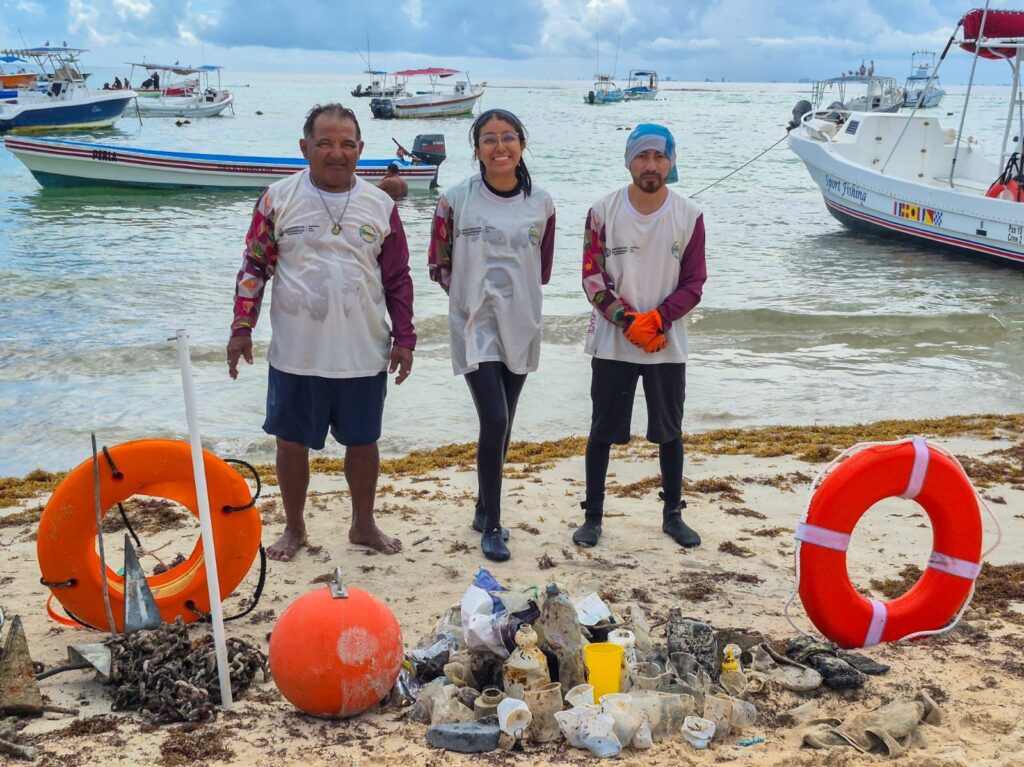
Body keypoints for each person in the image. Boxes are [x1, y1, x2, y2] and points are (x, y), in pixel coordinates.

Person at [227, 103, 415, 562]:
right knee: (291, 443)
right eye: (325, 143)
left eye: (347, 144)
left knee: (363, 442)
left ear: (360, 149)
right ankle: (294, 528)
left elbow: (397, 277)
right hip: (297, 353)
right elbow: (254, 266)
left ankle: (363, 524)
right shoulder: (277, 198)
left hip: (363, 350)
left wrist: (405, 337)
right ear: (305, 147)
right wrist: (242, 327)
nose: (336, 152)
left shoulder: (381, 206)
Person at [428, 108, 555, 562]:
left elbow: (542, 268)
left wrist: (512, 296)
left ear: (522, 144)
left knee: (507, 418)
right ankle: (494, 526)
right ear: (477, 148)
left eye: (508, 137)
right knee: (495, 419)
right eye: (489, 139)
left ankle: (483, 508)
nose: (500, 146)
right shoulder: (455, 199)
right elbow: (438, 262)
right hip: (474, 324)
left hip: (521, 321)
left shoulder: (542, 203)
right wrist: (471, 296)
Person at [573, 123, 707, 550]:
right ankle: (593, 517)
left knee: (670, 431)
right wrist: (627, 320)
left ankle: (673, 515)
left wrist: (659, 319)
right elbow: (592, 277)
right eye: (643, 157)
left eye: (659, 157)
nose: (651, 165)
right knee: (602, 430)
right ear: (629, 160)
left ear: (671, 162)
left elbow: (694, 283)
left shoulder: (689, 215)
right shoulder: (603, 211)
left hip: (666, 345)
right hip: (613, 342)